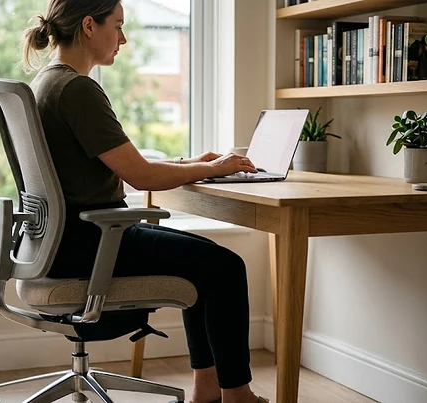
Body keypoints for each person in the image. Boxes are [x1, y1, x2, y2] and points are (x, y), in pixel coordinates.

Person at [21, 1, 267, 402]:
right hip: (93, 242)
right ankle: (238, 397)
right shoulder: (78, 89)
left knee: (205, 259)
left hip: (62, 242)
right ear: (88, 25)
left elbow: (124, 164)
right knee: (224, 267)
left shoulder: (48, 83)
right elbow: (141, 176)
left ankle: (207, 391)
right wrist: (214, 167)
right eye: (116, 26)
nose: (123, 38)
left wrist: (189, 163)